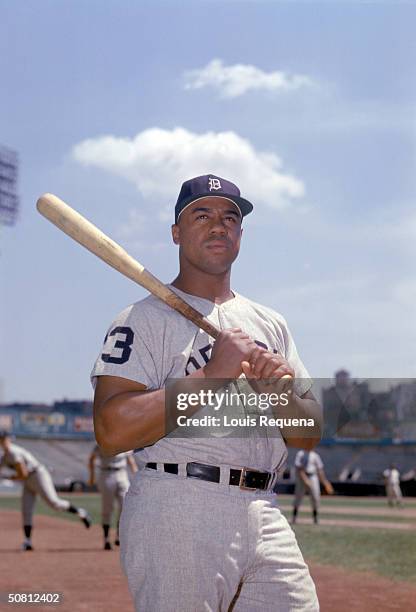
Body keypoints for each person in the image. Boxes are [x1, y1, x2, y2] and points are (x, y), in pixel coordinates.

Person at [92, 174, 323, 611]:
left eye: (230, 217)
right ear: (176, 233)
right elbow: (111, 431)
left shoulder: (269, 322)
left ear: (240, 233)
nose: (219, 225)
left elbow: (308, 434)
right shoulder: (141, 320)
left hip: (264, 508)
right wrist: (212, 375)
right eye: (202, 215)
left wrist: (280, 394)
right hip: (179, 507)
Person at [0, 431, 91, 551]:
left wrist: (9, 477)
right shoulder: (5, 456)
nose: (3, 442)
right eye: (1, 440)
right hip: (28, 481)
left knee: (54, 503)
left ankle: (81, 512)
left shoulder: (13, 452)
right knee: (26, 509)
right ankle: (28, 542)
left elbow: (23, 473)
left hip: (37, 475)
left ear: (9, 440)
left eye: (5, 439)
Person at [88, 443, 138, 549]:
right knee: (107, 508)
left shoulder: (125, 441)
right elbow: (91, 459)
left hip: (122, 474)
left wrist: (137, 476)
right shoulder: (103, 441)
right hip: (106, 474)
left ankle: (119, 536)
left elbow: (130, 461)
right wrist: (92, 476)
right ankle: (106, 538)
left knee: (125, 506)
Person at [292, 449, 334, 525]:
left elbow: (320, 470)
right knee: (298, 498)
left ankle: (315, 518)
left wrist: (325, 482)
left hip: (313, 476)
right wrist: (305, 480)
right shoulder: (300, 454)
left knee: (315, 497)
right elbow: (299, 468)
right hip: (302, 477)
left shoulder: (315, 455)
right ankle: (294, 517)